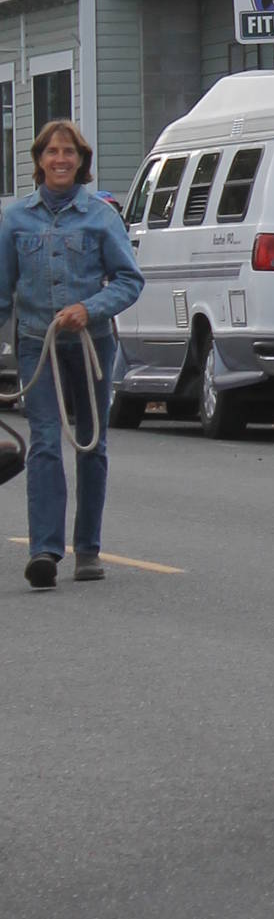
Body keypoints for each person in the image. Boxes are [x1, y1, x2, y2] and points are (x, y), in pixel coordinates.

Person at [0, 117, 145, 588]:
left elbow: (129, 280)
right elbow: (2, 292)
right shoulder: (16, 220)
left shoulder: (101, 217)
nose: (60, 159)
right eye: (52, 152)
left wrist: (90, 308)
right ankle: (44, 550)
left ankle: (87, 549)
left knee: (91, 444)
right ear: (39, 161)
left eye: (69, 152)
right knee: (45, 443)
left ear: (81, 161)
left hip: (91, 345)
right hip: (36, 345)